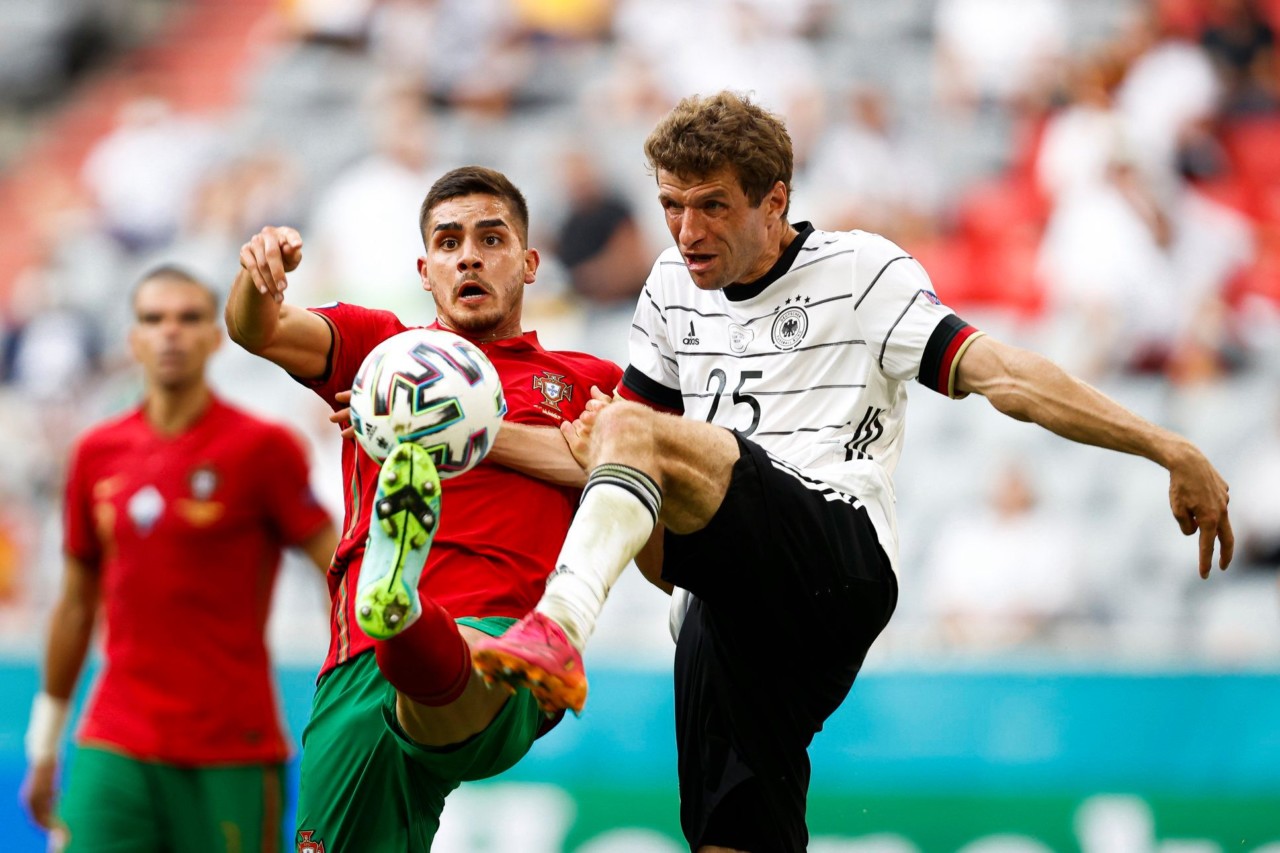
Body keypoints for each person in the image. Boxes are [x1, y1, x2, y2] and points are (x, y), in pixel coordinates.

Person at [472, 91, 1235, 853]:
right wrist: (456, 434)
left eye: (712, 206)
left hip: (833, 557)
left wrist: (1167, 445)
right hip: (721, 601)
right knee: (730, 841)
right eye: (672, 204)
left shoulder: (860, 271)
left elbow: (1005, 374)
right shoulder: (670, 289)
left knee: (627, 426)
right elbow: (607, 456)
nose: (687, 230)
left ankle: (561, 623)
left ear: (775, 203)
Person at [227, 165, 622, 850]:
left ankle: (405, 610)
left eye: (491, 238)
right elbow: (255, 330)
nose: (469, 254)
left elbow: (619, 474)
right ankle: (400, 606)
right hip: (358, 673)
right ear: (426, 268)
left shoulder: (585, 381)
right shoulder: (383, 354)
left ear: (529, 264)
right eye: (449, 241)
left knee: (465, 668)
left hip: (514, 648)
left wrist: (450, 424)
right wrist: (257, 279)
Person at [21, 266, 338, 851]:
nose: (171, 332)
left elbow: (337, 567)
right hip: (116, 738)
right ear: (132, 338)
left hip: (232, 746)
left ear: (215, 338)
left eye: (189, 318)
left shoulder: (262, 449)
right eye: (154, 319)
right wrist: (44, 745)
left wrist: (355, 692)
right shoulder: (96, 453)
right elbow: (73, 604)